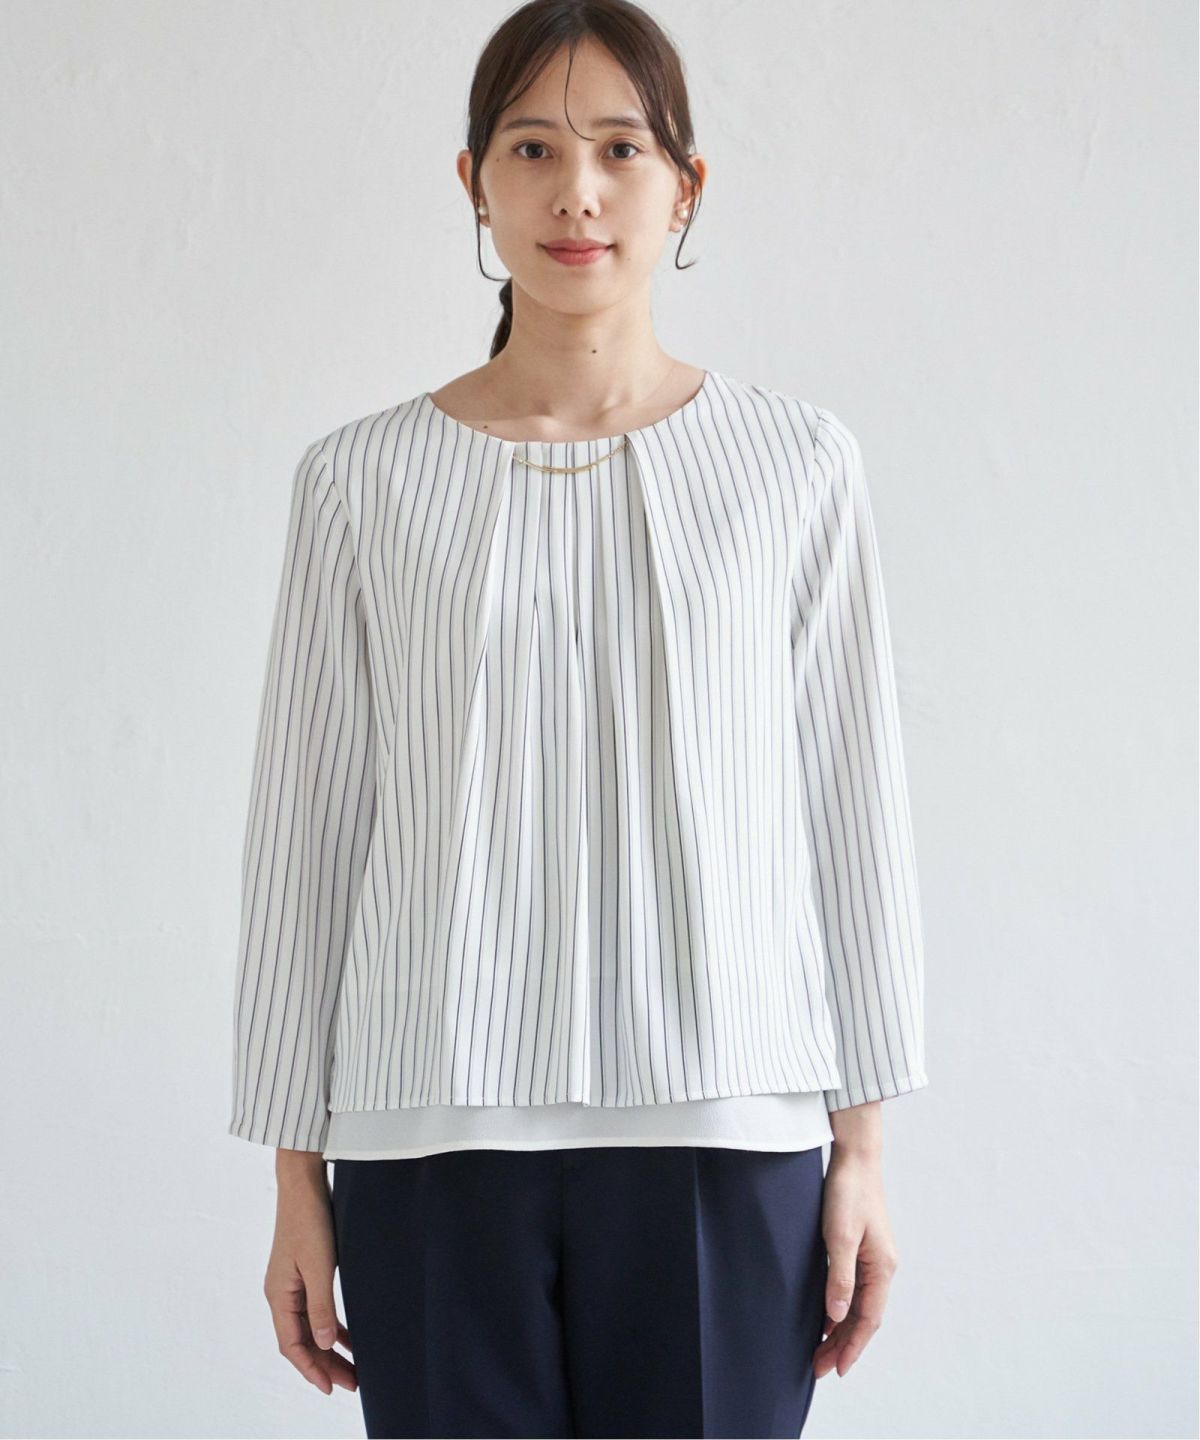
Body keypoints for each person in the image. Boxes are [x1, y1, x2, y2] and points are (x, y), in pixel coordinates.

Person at [227, 2, 928, 1436]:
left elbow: (851, 806)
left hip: (729, 1136)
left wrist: (860, 1148)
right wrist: (296, 1178)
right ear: (474, 181)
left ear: (687, 184)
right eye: (533, 149)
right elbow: (306, 836)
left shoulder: (795, 468)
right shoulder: (359, 484)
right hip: (428, 1145)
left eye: (621, 148)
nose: (579, 193)